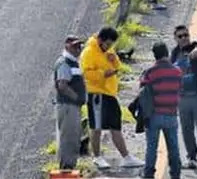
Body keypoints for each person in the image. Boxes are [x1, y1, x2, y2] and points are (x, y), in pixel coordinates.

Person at [80, 27, 146, 171]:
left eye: (111, 45)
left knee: (115, 124)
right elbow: (86, 73)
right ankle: (97, 157)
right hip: (96, 93)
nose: (110, 47)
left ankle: (126, 157)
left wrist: (115, 60)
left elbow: (117, 66)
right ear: (100, 40)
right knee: (96, 126)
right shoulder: (89, 52)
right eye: (108, 44)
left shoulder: (108, 51)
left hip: (110, 93)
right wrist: (103, 74)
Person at [171, 25, 197, 172]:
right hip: (182, 98)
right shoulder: (175, 53)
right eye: (180, 36)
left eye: (186, 35)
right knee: (186, 129)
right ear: (175, 38)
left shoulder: (196, 47)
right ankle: (192, 158)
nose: (184, 38)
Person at [140, 42, 183, 179]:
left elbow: (142, 88)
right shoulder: (177, 71)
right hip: (171, 114)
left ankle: (149, 174)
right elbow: (180, 89)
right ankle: (175, 174)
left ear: (154, 55)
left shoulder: (151, 72)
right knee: (173, 148)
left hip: (154, 115)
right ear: (167, 53)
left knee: (152, 148)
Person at [53, 35, 86, 171]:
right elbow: (62, 85)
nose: (78, 49)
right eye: (75, 46)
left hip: (72, 107)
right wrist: (77, 98)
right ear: (67, 46)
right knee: (68, 138)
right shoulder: (65, 63)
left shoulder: (72, 62)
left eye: (79, 46)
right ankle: (66, 169)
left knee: (73, 136)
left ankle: (69, 168)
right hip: (68, 107)